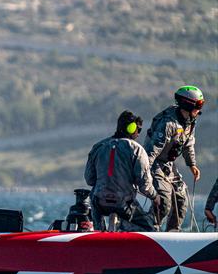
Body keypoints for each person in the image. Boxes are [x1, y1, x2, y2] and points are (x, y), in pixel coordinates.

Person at [85, 110, 159, 231]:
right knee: (149, 228)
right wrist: (155, 197)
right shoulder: (137, 150)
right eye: (138, 130)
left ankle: (99, 232)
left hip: (99, 204)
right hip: (123, 205)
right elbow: (145, 186)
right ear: (131, 128)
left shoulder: (98, 146)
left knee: (95, 205)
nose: (139, 134)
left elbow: (89, 179)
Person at [144, 85, 204, 231]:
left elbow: (188, 144)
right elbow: (152, 152)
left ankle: (173, 234)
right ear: (187, 104)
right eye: (198, 105)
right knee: (163, 200)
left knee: (181, 199)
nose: (199, 109)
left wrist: (192, 164)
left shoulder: (190, 121)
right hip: (154, 163)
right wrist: (144, 173)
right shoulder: (167, 123)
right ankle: (149, 228)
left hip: (168, 165)